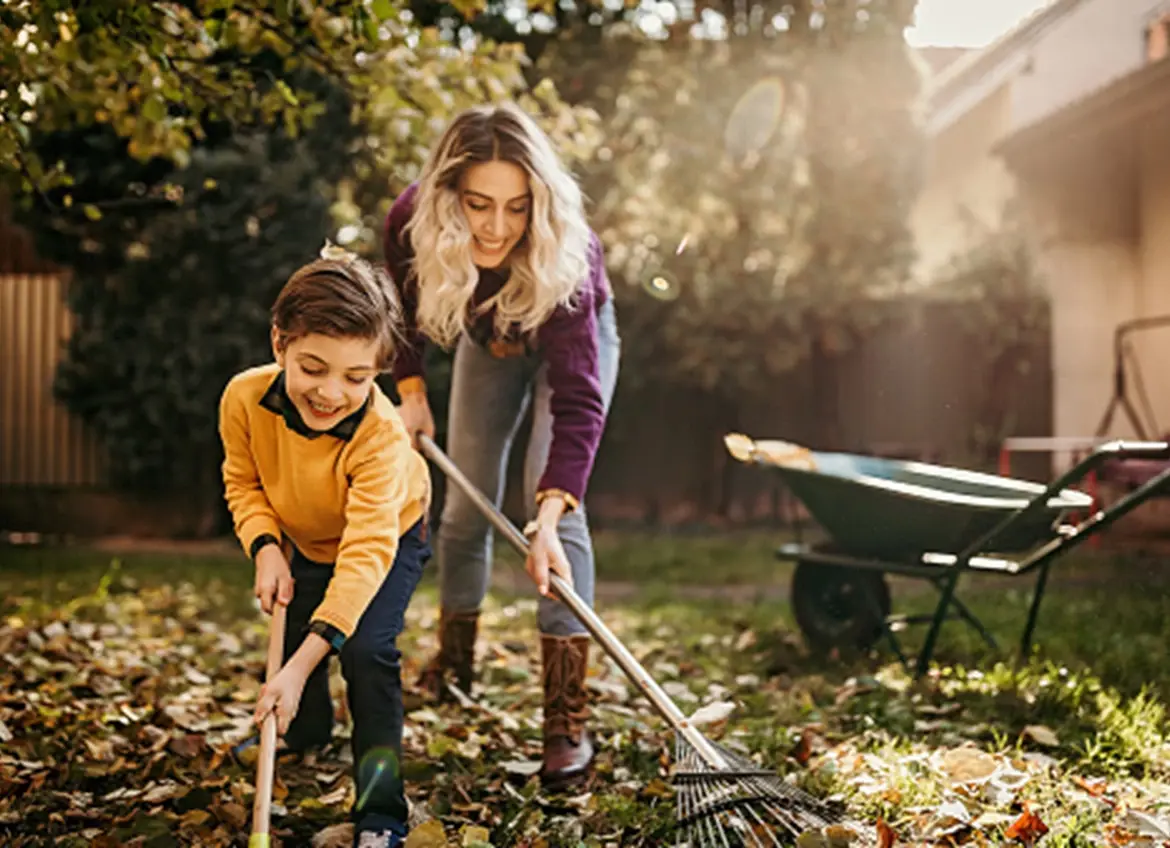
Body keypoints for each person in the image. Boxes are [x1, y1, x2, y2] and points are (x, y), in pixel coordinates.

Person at [382, 102, 621, 787]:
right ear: (448, 195)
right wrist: (412, 392)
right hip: (490, 340)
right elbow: (400, 313)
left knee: (558, 521)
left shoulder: (569, 252)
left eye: (518, 208)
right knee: (462, 508)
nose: (496, 227)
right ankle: (453, 669)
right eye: (478, 204)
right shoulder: (410, 220)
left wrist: (545, 518)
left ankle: (564, 720)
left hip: (570, 338)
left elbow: (577, 400)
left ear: (538, 203)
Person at [218, 248, 432, 848]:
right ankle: (306, 730)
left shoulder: (382, 438)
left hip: (388, 534)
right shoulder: (242, 399)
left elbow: (365, 556)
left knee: (364, 650)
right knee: (294, 637)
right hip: (302, 532)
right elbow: (244, 481)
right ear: (279, 343)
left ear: (377, 372)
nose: (331, 392)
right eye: (313, 367)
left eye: (356, 378)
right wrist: (264, 546)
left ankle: (381, 811)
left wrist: (302, 663)